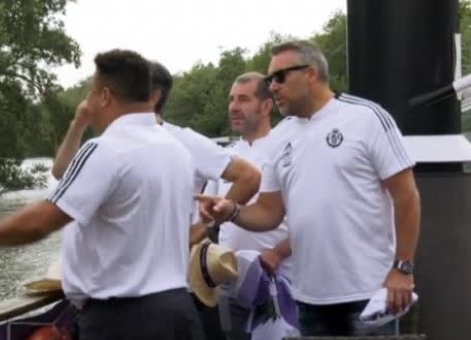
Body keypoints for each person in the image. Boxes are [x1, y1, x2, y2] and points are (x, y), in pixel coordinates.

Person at [0, 49, 205, 340]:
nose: (88, 102)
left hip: (123, 322)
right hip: (179, 312)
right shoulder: (177, 151)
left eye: (91, 93)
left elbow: (42, 221)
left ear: (105, 96)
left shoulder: (106, 149)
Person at [197, 40, 421, 337]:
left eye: (279, 77)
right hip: (307, 299)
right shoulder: (281, 137)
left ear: (311, 73)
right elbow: (269, 212)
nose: (272, 87)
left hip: (368, 292)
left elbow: (406, 196)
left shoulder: (366, 118)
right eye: (268, 80)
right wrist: (232, 211)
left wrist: (402, 269)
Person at [51, 61, 260, 340]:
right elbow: (62, 174)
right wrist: (79, 124)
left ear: (153, 96)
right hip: (120, 300)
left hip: (171, 294)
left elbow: (248, 175)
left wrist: (201, 229)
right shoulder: (113, 143)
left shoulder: (182, 140)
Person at [201, 72, 293, 340]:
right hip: (232, 283)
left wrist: (278, 253)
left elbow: (312, 217)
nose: (233, 106)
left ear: (266, 106)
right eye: (231, 99)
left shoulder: (287, 152)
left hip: (282, 280)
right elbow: (207, 222)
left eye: (243, 99)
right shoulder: (222, 158)